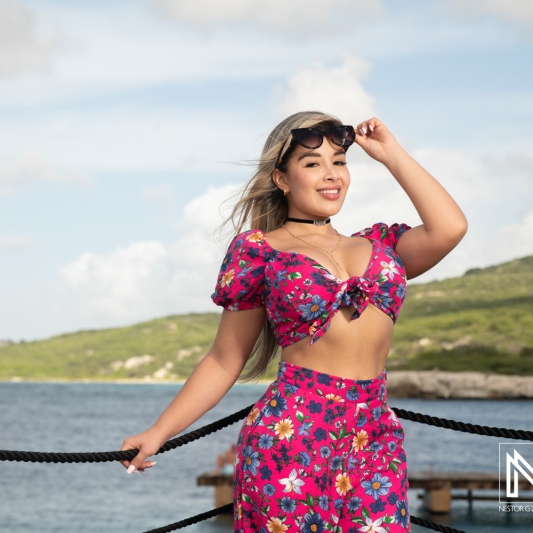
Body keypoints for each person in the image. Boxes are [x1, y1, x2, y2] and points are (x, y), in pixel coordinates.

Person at [120, 111, 467, 532]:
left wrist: (391, 154)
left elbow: (450, 227)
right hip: (291, 437)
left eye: (339, 162)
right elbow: (224, 359)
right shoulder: (259, 250)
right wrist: (159, 431)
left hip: (374, 437)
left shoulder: (381, 245)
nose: (331, 175)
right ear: (281, 178)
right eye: (312, 163)